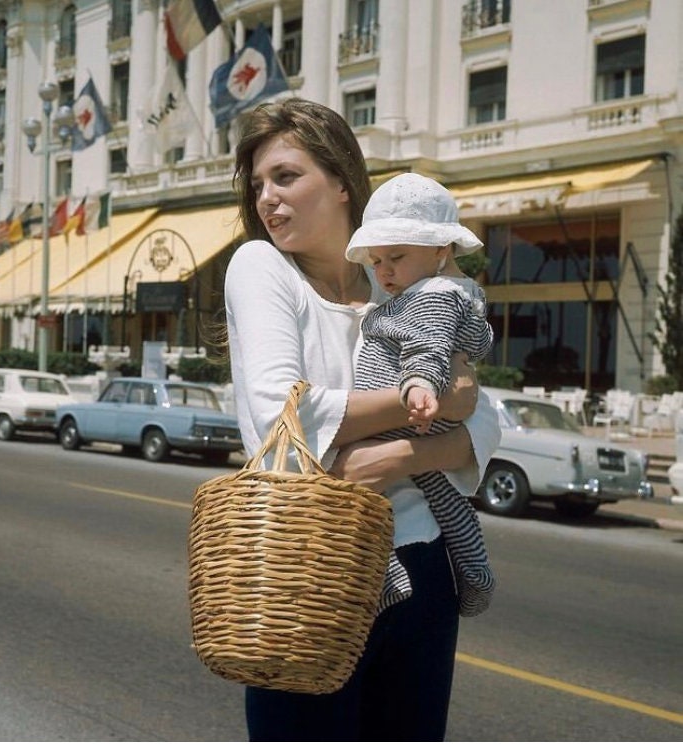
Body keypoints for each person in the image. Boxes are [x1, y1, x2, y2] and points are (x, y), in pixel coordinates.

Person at [224, 97, 501, 742]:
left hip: (422, 564)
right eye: (259, 183)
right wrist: (430, 404)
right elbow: (280, 413)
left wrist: (398, 455)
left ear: (342, 183)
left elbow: (486, 417)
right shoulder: (261, 267)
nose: (268, 198)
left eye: (286, 177)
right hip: (307, 571)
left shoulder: (400, 277)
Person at [346, 172, 495, 617]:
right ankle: (475, 570)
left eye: (395, 256)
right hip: (420, 413)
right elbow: (472, 342)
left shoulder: (431, 294)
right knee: (445, 497)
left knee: (355, 487)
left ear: (441, 250)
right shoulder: (448, 290)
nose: (383, 271)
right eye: (375, 261)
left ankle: (386, 574)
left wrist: (419, 386)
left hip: (406, 409)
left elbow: (427, 346)